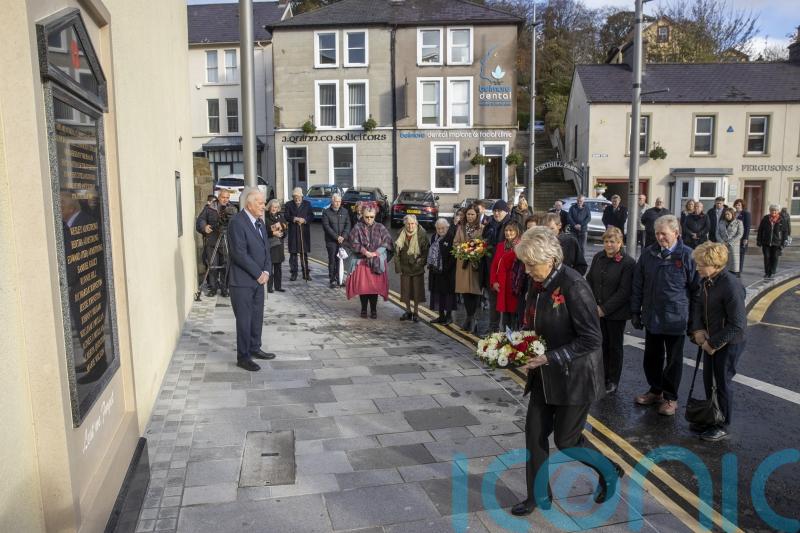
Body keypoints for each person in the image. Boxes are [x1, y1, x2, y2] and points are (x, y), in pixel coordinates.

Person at [511, 228, 622, 516]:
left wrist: (549, 357)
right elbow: (531, 321)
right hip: (544, 376)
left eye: (531, 264)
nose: (527, 270)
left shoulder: (574, 286)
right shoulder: (537, 283)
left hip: (575, 378)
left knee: (567, 441)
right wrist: (517, 346)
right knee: (534, 435)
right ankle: (538, 497)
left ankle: (609, 471)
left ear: (550, 259)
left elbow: (592, 339)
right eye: (524, 263)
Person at [631, 215, 699, 416]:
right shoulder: (648, 254)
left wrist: (694, 322)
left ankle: (671, 398)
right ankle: (655, 390)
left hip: (676, 318)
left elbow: (696, 291)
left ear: (676, 233)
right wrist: (635, 311)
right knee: (651, 357)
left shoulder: (687, 256)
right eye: (657, 233)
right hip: (653, 317)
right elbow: (638, 284)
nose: (660, 237)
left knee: (673, 361)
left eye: (664, 234)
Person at [689, 242, 746, 441]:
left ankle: (722, 423)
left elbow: (737, 323)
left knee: (722, 382)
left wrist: (713, 344)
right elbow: (697, 304)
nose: (697, 267)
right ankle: (712, 416)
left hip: (729, 344)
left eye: (701, 264)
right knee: (709, 380)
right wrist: (697, 330)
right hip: (710, 339)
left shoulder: (730, 285)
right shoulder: (707, 280)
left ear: (715, 264)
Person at [227, 189, 275, 372]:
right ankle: (243, 356)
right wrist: (258, 273)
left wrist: (266, 271)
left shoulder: (260, 222)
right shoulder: (237, 223)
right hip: (242, 282)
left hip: (258, 279)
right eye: (260, 203)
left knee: (257, 317)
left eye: (264, 203)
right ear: (249, 204)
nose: (264, 206)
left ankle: (255, 348)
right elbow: (239, 253)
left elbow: (266, 249)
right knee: (244, 320)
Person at [586, 227, 635, 394]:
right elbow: (590, 280)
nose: (608, 245)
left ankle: (612, 380)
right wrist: (593, 304)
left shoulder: (627, 263)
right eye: (606, 241)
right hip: (596, 310)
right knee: (601, 345)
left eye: (612, 241)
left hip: (615, 313)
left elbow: (624, 291)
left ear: (620, 243)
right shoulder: (598, 257)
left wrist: (604, 309)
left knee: (614, 347)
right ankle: (601, 375)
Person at [346, 206, 393, 318]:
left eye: (371, 217)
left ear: (374, 216)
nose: (369, 219)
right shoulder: (357, 227)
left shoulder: (380, 227)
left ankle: (373, 310)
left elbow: (387, 242)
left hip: (376, 261)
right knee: (364, 288)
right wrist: (364, 251)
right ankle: (363, 309)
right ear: (362, 215)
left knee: (373, 289)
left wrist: (376, 253)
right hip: (362, 261)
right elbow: (353, 243)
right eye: (366, 217)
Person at [196, 189, 233, 297]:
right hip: (212, 241)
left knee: (226, 266)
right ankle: (213, 288)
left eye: (227, 198)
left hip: (226, 241)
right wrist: (204, 226)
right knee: (212, 266)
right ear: (218, 197)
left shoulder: (232, 209)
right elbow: (200, 220)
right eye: (223, 197)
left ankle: (224, 288)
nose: (225, 200)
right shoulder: (209, 208)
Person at [482, 200, 512, 333]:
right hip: (491, 267)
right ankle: (492, 329)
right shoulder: (490, 224)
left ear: (506, 211)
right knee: (493, 300)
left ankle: (506, 331)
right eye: (494, 210)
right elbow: (485, 240)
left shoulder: (511, 224)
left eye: (499, 211)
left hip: (505, 270)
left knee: (505, 301)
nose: (496, 213)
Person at [395, 214, 430, 322]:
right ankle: (408, 311)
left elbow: (426, 251)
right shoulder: (400, 233)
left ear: (416, 223)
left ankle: (416, 312)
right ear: (405, 223)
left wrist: (421, 262)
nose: (410, 226)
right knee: (405, 290)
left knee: (416, 291)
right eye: (408, 223)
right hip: (405, 266)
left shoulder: (422, 234)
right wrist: (398, 266)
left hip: (416, 266)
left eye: (412, 223)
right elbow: (396, 252)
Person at [454, 205, 483, 332]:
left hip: (475, 263)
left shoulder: (481, 228)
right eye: (468, 214)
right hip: (463, 264)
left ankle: (473, 319)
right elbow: (455, 243)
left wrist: (475, 251)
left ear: (477, 215)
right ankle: (469, 318)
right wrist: (464, 249)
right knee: (465, 292)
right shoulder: (461, 228)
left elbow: (483, 243)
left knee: (475, 292)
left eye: (472, 214)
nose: (470, 217)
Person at [489, 222, 522, 330]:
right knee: (505, 314)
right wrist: (494, 281)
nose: (508, 233)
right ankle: (506, 336)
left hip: (515, 285)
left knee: (515, 314)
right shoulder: (500, 245)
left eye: (511, 230)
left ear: (517, 232)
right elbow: (494, 265)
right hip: (502, 284)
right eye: (506, 230)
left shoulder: (521, 246)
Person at [427, 218, 456, 325]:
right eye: (438, 228)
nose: (440, 230)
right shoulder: (434, 237)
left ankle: (449, 317)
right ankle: (441, 316)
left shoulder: (451, 237)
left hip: (447, 272)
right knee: (437, 294)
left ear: (447, 227)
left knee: (447, 295)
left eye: (443, 228)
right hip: (435, 271)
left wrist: (445, 268)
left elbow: (453, 256)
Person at [321, 193, 351, 288]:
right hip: (331, 241)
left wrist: (344, 236)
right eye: (336, 201)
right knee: (332, 260)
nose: (338, 203)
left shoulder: (345, 211)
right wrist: (336, 237)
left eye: (339, 201)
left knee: (340, 259)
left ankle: (340, 279)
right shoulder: (326, 212)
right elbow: (326, 227)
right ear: (332, 201)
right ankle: (332, 279)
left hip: (342, 240)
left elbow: (348, 224)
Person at [285, 187, 312, 281]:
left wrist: (304, 220)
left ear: (302, 196)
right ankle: (294, 273)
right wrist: (295, 219)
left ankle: (306, 273)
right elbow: (286, 216)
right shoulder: (288, 204)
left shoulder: (307, 204)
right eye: (295, 197)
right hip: (293, 232)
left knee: (303, 253)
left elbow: (311, 216)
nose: (297, 198)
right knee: (293, 254)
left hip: (303, 232)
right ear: (293, 197)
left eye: (298, 196)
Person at [757, 204, 789, 279]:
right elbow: (760, 230)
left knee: (774, 257)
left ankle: (772, 271)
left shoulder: (781, 219)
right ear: (770, 211)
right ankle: (767, 272)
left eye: (775, 210)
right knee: (767, 257)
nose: (773, 211)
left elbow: (785, 232)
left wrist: (784, 242)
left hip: (777, 242)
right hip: (766, 242)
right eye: (772, 210)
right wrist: (759, 240)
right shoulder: (765, 218)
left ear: (778, 211)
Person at [265, 199, 287, 293]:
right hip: (270, 245)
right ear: (269, 207)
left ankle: (278, 286)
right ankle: (269, 287)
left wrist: (282, 234)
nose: (274, 209)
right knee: (270, 267)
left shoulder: (280, 216)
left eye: (276, 207)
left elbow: (285, 228)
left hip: (279, 245)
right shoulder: (265, 217)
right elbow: (264, 230)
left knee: (278, 267)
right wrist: (273, 233)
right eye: (273, 207)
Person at [716, 207, 743, 277]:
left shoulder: (738, 222)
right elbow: (717, 233)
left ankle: (734, 277)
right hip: (723, 245)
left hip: (733, 246)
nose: (727, 216)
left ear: (732, 214)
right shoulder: (721, 222)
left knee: (733, 265)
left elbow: (740, 234)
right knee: (723, 264)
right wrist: (722, 242)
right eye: (725, 214)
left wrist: (730, 242)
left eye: (728, 214)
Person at [733, 199, 751, 273]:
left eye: (739, 205)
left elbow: (747, 227)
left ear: (742, 206)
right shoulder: (733, 213)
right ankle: (734, 269)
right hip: (733, 237)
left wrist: (745, 238)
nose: (737, 206)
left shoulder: (746, 214)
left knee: (740, 254)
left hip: (742, 237)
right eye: (736, 205)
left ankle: (739, 271)